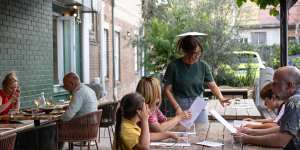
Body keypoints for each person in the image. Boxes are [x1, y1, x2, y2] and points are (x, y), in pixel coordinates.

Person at [163, 34, 230, 123]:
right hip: (180, 103)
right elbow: (167, 91)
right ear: (185, 51)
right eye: (194, 53)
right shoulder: (174, 66)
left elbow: (212, 85)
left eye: (199, 52)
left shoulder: (203, 66)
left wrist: (221, 98)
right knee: (182, 133)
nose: (197, 56)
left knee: (202, 129)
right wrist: (177, 108)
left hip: (198, 103)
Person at [233, 66, 300, 149]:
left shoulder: (294, 101)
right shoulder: (294, 99)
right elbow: (281, 129)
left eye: (275, 83)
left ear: (289, 85)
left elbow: (281, 140)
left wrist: (246, 139)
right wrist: (250, 132)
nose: (272, 87)